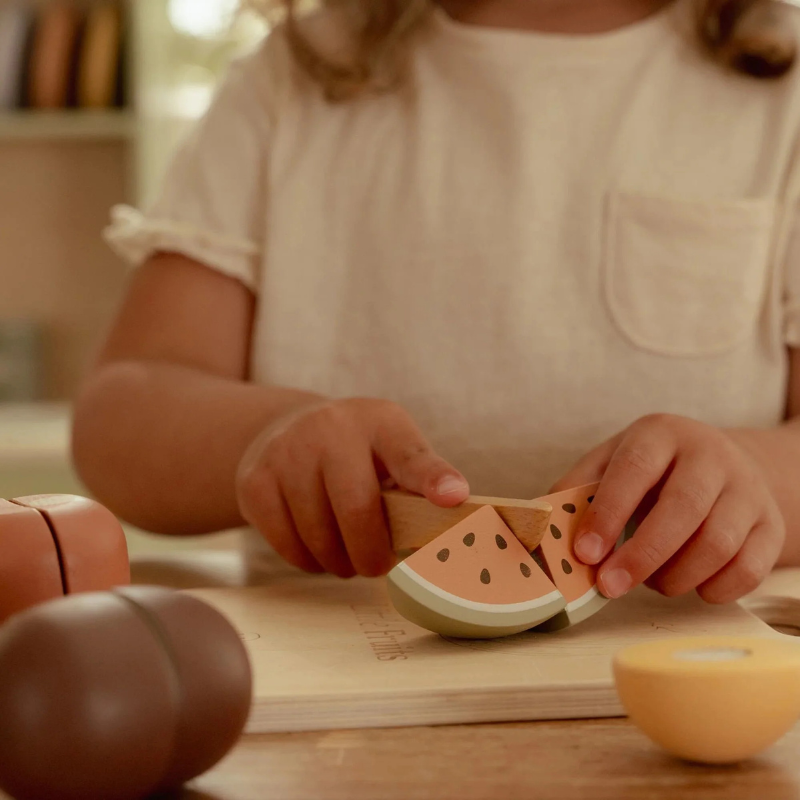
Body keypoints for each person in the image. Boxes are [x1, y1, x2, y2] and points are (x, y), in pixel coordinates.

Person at [72, 0, 800, 605]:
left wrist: (752, 475)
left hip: (686, 663)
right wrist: (264, 438)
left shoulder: (785, 92)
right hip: (334, 694)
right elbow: (120, 418)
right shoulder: (285, 82)